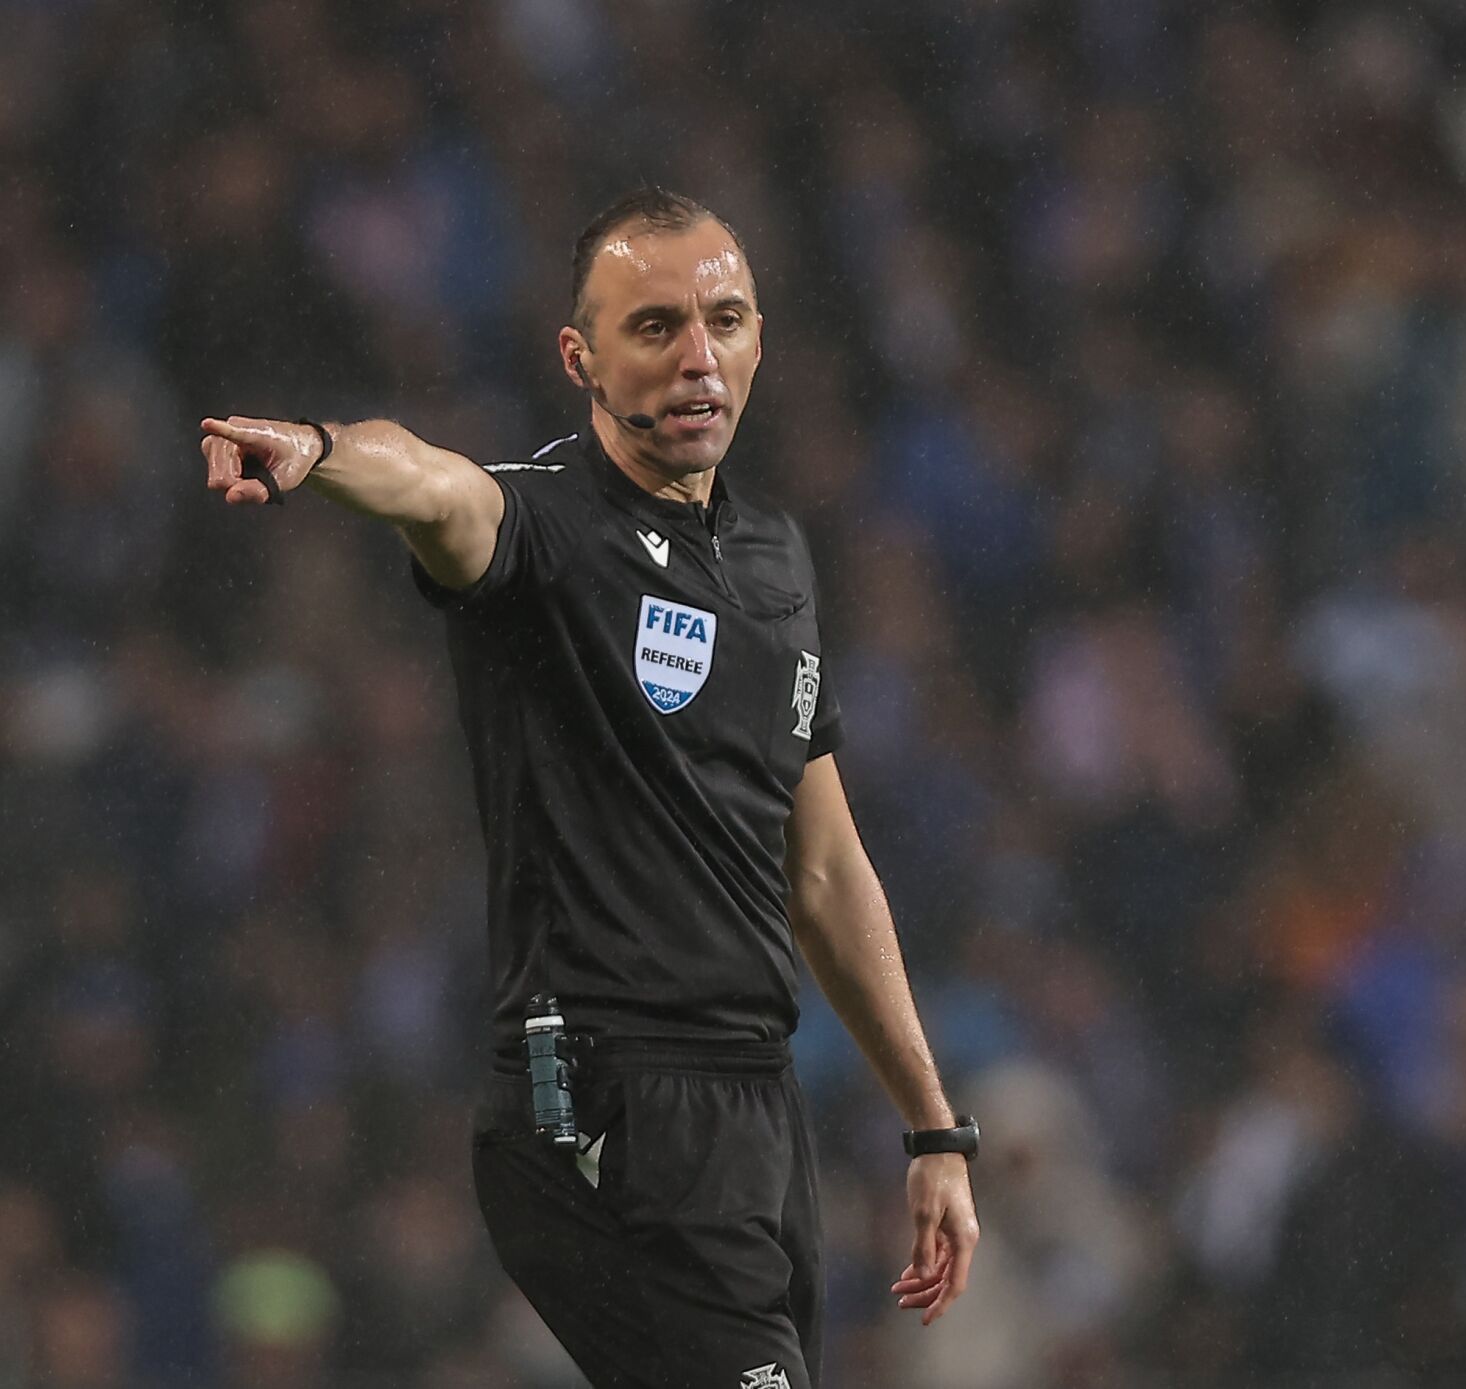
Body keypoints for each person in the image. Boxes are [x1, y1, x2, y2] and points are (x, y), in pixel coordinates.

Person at [197, 188, 979, 1389]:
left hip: (756, 1108)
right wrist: (319, 450)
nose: (696, 357)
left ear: (760, 339)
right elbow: (435, 484)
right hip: (594, 1097)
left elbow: (822, 866)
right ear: (582, 357)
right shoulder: (549, 534)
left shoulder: (776, 561)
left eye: (724, 320)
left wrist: (931, 1124)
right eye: (654, 327)